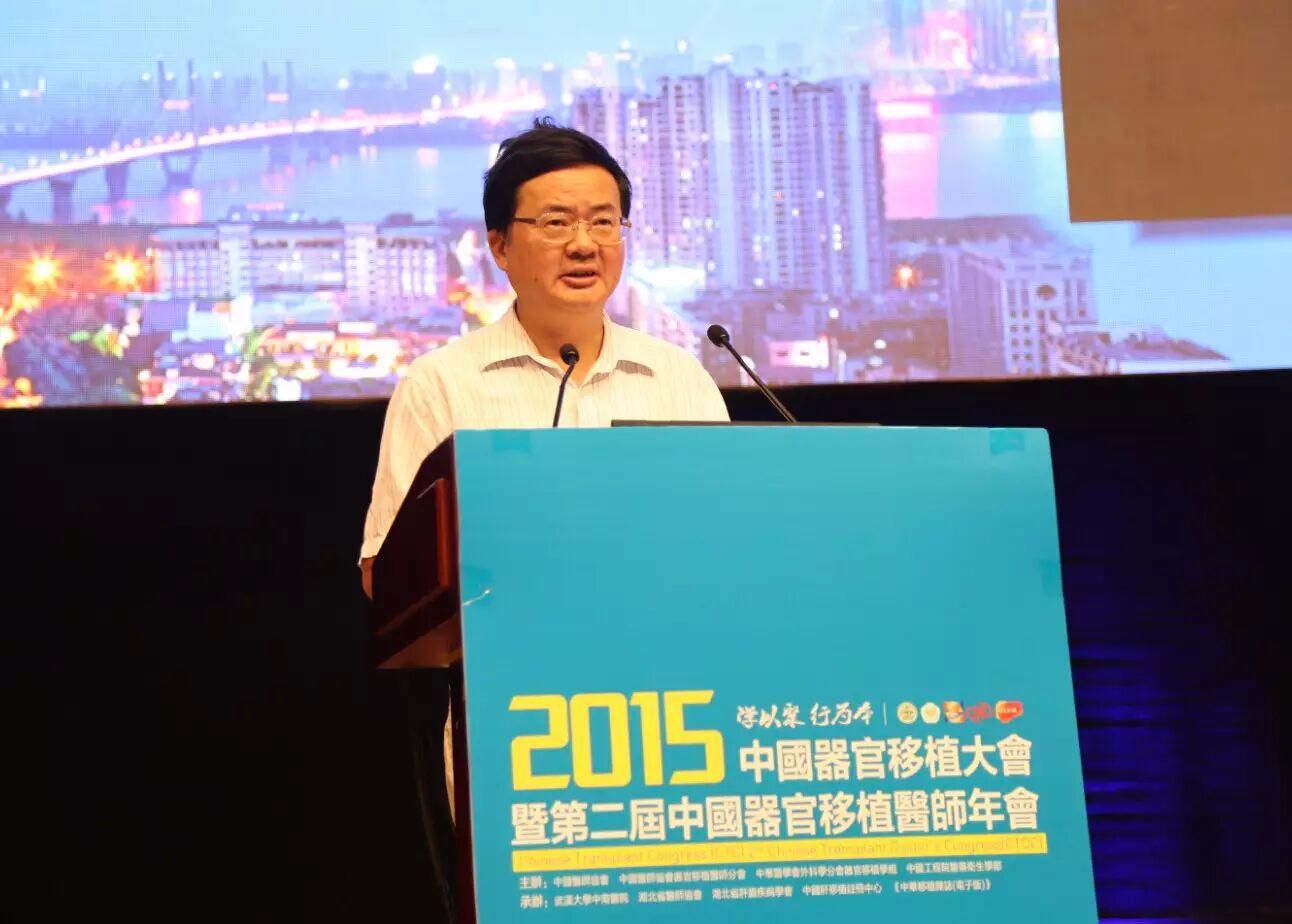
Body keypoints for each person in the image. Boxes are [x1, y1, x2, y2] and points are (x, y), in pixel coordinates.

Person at [358, 118, 729, 917]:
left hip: (673, 718)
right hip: (518, 726)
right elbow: (384, 577)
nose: (585, 244)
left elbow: (723, 544)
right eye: (555, 222)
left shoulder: (680, 377)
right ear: (499, 244)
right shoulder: (442, 384)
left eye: (604, 222)